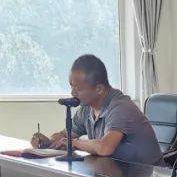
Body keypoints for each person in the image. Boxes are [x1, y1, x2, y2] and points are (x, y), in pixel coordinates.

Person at [31, 54, 163, 166]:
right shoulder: (86, 108)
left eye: (78, 89)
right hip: (117, 174)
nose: (73, 93)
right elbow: (67, 135)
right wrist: (48, 141)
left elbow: (105, 148)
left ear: (99, 89)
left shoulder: (121, 107)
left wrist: (74, 143)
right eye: (71, 87)